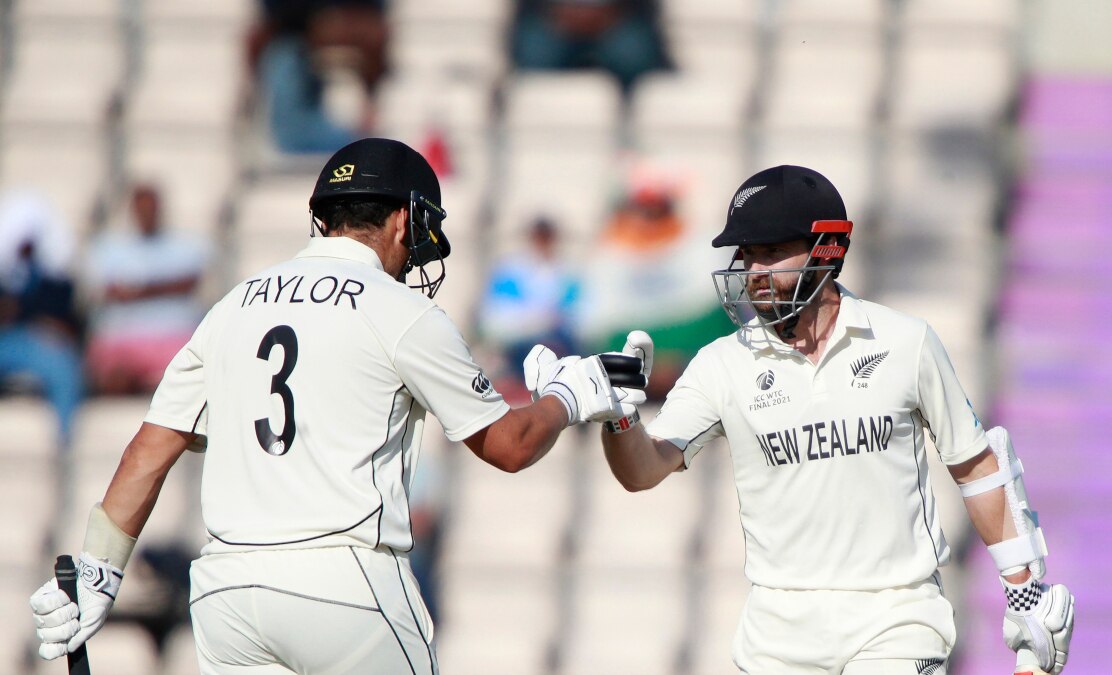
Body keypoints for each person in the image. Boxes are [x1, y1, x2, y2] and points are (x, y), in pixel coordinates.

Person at [29, 138, 635, 674]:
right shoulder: (402, 312)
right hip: (344, 585)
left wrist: (98, 571)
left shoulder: (231, 307)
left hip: (228, 591)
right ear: (402, 220)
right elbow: (511, 445)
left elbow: (148, 452)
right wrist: (569, 396)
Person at [582, 165, 1076, 674]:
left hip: (897, 618)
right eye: (747, 255)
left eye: (772, 253)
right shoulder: (720, 364)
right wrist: (620, 421)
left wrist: (1024, 591)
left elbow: (977, 468)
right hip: (777, 635)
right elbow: (641, 472)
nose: (754, 272)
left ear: (828, 250)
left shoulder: (905, 342)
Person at [84, 184, 209, 395]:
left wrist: (137, 292)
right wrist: (165, 287)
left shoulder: (186, 246)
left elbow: (189, 284)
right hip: (121, 338)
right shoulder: (109, 247)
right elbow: (108, 292)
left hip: (173, 336)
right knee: (111, 375)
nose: (147, 215)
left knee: (191, 375)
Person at [0, 190, 84, 450]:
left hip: (41, 345)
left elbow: (68, 323)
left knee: (64, 368)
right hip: (7, 341)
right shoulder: (6, 277)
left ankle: (64, 442)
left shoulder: (56, 279)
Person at [478, 215, 581, 394]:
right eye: (539, 237)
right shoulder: (509, 270)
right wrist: (538, 322)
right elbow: (494, 318)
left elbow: (579, 316)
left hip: (558, 344)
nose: (542, 243)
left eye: (546, 237)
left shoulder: (568, 273)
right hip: (518, 346)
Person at [511, 0, 670, 91]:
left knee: (634, 54)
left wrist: (610, 15)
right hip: (551, 22)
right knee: (535, 54)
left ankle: (632, 133)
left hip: (619, 21)